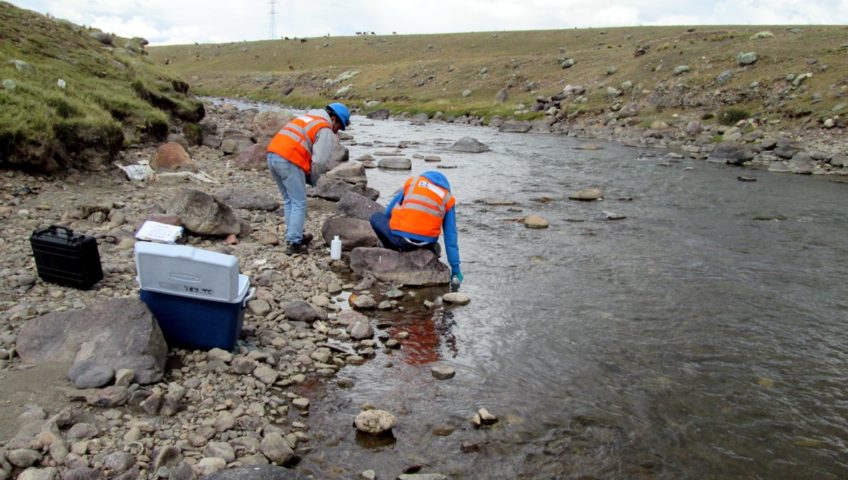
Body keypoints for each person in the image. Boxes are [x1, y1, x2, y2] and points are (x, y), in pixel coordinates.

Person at [267, 103, 351, 254]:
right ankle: (294, 243)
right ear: (333, 119)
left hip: (273, 154)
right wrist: (313, 180)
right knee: (299, 202)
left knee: (289, 199)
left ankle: (293, 235)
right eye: (338, 127)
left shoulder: (308, 117)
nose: (337, 131)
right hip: (289, 158)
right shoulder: (324, 128)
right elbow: (319, 161)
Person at [369, 171, 463, 289]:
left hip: (401, 240)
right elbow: (451, 237)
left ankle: (390, 248)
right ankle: (426, 250)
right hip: (426, 243)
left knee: (376, 217)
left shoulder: (412, 183)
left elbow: (388, 212)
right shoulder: (448, 198)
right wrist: (455, 269)